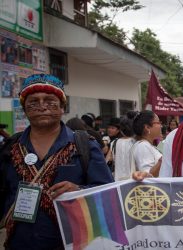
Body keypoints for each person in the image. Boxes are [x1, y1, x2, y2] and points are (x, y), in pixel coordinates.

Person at [0, 74, 113, 249]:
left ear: (62, 107)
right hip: (19, 243)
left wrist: (79, 190)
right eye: (33, 101)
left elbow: (108, 193)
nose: (42, 106)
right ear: (24, 109)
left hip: (71, 243)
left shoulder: (84, 146)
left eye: (50, 100)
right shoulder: (11, 148)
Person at [131, 110, 163, 177]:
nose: (161, 126)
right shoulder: (143, 146)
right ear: (147, 127)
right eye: (158, 122)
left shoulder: (148, 145)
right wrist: (164, 159)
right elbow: (147, 175)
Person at [105, 112, 136, 180]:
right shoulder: (136, 142)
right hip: (133, 180)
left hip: (117, 181)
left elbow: (106, 161)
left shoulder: (114, 142)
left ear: (120, 130)